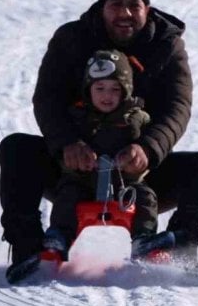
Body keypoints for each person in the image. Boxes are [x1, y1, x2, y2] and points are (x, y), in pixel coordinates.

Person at [0, 0, 198, 283]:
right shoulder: (71, 39)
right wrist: (68, 144)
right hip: (75, 169)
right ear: (101, 8)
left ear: (146, 10)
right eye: (116, 4)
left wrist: (148, 149)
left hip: (141, 175)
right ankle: (30, 249)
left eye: (134, 5)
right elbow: (48, 100)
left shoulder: (167, 44)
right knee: (17, 148)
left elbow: (177, 107)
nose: (125, 13)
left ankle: (178, 248)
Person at [41, 49, 158, 260]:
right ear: (89, 90)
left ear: (126, 91)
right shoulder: (76, 117)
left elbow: (151, 145)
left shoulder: (137, 117)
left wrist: (139, 156)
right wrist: (76, 161)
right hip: (84, 181)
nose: (107, 95)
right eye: (100, 88)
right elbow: (61, 148)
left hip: (125, 185)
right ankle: (58, 241)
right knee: (67, 197)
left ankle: (145, 241)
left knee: (145, 198)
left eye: (115, 89)